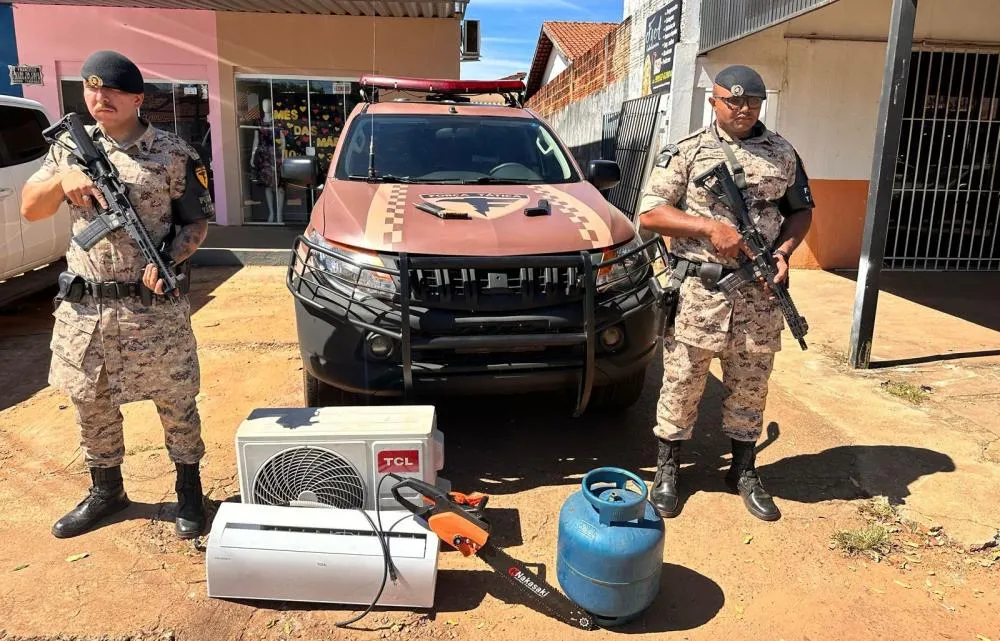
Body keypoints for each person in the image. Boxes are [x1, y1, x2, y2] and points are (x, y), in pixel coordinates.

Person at [20, 50, 214, 539]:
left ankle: (189, 490)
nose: (99, 98)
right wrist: (64, 179)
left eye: (111, 90)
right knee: (92, 403)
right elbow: (30, 208)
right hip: (88, 311)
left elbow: (195, 222)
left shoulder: (172, 152)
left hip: (153, 309)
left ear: (136, 98)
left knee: (177, 402)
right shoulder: (68, 148)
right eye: (91, 89)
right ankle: (107, 492)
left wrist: (168, 259)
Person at [636, 65, 815, 522]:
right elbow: (651, 215)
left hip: (759, 295)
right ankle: (668, 469)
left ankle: (743, 470)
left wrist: (785, 252)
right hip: (700, 290)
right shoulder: (687, 151)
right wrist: (709, 227)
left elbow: (799, 211)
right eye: (732, 101)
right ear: (714, 101)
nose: (742, 108)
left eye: (752, 101)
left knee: (751, 385)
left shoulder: (782, 152)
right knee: (682, 381)